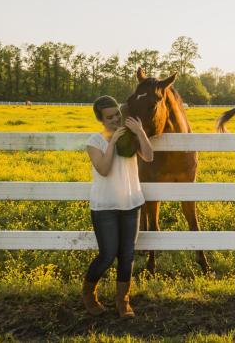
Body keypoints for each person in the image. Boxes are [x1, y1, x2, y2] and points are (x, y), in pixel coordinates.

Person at [82, 95, 153, 318]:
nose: (115, 120)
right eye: (109, 117)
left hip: (131, 202)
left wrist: (140, 132)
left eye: (117, 115)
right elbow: (103, 169)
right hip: (105, 206)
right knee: (107, 254)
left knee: (127, 254)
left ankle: (123, 301)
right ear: (100, 119)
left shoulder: (130, 136)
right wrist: (112, 141)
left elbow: (149, 157)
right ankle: (89, 295)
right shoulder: (95, 141)